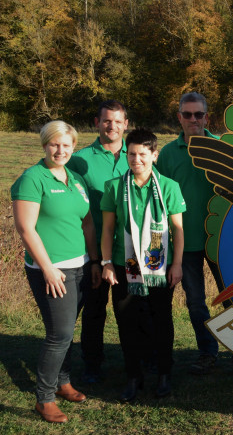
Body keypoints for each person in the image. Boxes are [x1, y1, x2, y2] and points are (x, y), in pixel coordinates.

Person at [156, 92, 233, 377]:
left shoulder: (221, 148)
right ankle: (207, 353)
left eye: (198, 114)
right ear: (179, 117)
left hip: (222, 242)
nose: (193, 119)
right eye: (187, 114)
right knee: (196, 302)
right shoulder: (167, 154)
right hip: (184, 244)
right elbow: (160, 198)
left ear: (207, 118)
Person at [11, 121, 101, 423]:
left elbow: (87, 222)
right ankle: (45, 398)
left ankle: (63, 382)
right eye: (54, 144)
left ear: (73, 146)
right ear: (44, 145)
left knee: (67, 330)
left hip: (79, 265)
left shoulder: (75, 178)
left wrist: (95, 260)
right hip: (50, 269)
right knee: (59, 333)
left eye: (66, 145)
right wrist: (48, 268)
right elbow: (26, 229)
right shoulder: (32, 179)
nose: (60, 150)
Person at [100, 129, 185, 401]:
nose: (136, 159)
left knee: (162, 321)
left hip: (160, 269)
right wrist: (106, 263)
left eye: (142, 154)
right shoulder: (114, 186)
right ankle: (133, 376)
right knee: (127, 323)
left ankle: (164, 374)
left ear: (154, 155)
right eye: (131, 154)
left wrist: (178, 264)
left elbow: (178, 230)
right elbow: (107, 230)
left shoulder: (169, 186)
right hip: (124, 266)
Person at [67, 100, 130, 383]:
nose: (112, 126)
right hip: (94, 250)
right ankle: (92, 363)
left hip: (130, 250)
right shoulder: (79, 159)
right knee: (94, 309)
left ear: (126, 124)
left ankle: (140, 360)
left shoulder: (139, 155)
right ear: (97, 123)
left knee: (131, 309)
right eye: (106, 121)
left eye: (118, 121)